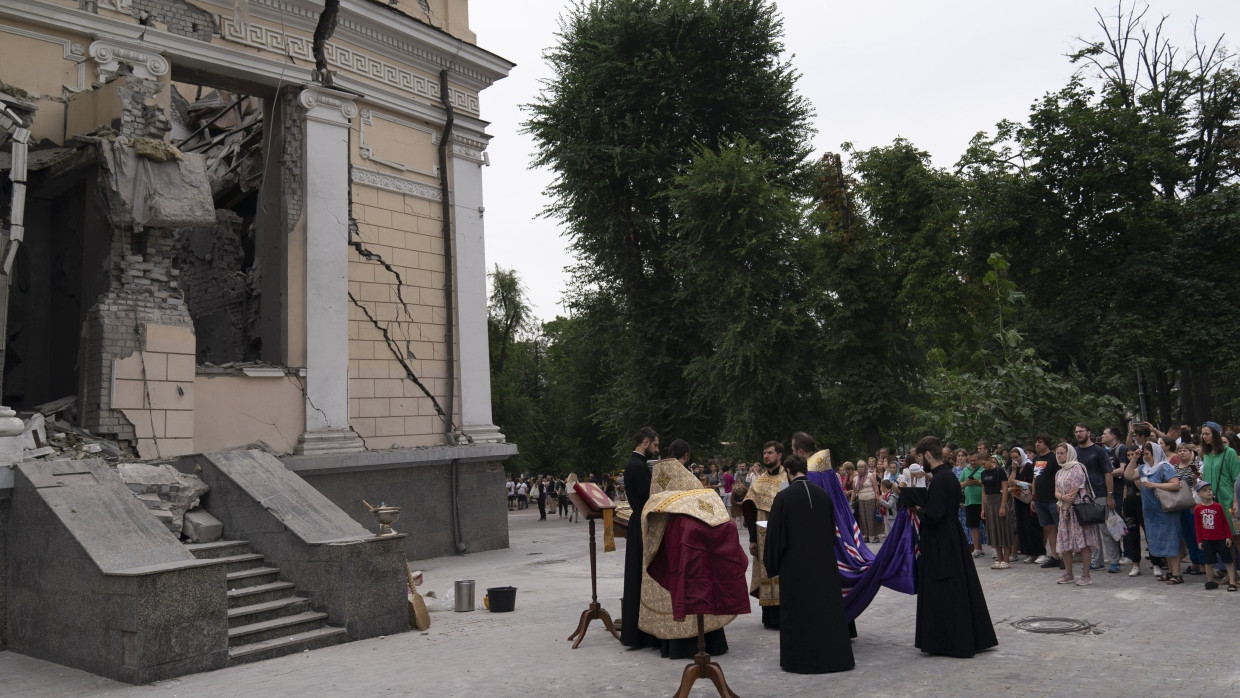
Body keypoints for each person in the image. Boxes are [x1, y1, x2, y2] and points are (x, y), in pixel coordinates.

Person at [763, 454, 855, 674]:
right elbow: (833, 534)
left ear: (787, 471)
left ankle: (801, 661)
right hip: (824, 566)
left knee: (800, 614)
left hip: (796, 568)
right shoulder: (823, 495)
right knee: (825, 613)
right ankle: (833, 658)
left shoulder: (783, 498)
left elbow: (775, 537)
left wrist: (772, 564)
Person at [912, 435, 997, 658]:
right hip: (952, 535)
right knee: (958, 584)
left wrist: (917, 508)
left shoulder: (940, 479)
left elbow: (935, 513)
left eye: (921, 457)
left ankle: (949, 639)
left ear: (928, 455)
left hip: (941, 538)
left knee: (946, 586)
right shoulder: (947, 476)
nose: (921, 461)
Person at [620, 427, 660, 649]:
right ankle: (639, 634)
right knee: (640, 577)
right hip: (642, 523)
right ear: (645, 442)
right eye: (655, 445)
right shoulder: (638, 466)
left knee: (637, 576)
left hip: (638, 521)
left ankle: (636, 633)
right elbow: (649, 499)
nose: (656, 449)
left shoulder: (634, 464)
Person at [742, 440, 787, 629]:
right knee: (766, 570)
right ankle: (771, 616)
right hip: (762, 536)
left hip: (784, 534)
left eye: (770, 453)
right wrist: (752, 539)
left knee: (783, 568)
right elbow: (750, 511)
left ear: (779, 455)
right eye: (765, 453)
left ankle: (787, 612)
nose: (766, 456)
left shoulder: (788, 479)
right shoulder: (758, 482)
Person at [1125, 442, 1184, 584]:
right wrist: (1134, 458)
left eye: (1147, 454)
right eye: (1144, 454)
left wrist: (1155, 485)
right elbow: (1128, 475)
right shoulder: (1143, 468)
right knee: (1161, 541)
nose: (1145, 457)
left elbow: (1175, 484)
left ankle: (1177, 574)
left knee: (1171, 541)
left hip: (1166, 510)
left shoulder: (1164, 467)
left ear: (1155, 453)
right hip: (1151, 512)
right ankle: (1170, 572)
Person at [1053, 443, 1097, 586]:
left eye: (1062, 453)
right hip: (1064, 510)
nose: (1059, 456)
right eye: (1058, 453)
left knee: (1083, 543)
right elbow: (1056, 492)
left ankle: (1086, 575)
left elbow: (1073, 491)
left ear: (1069, 453)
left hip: (1077, 511)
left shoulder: (1077, 468)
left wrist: (1065, 502)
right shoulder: (1059, 472)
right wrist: (1061, 498)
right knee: (1065, 543)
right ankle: (1068, 573)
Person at [1073, 424, 1112, 572]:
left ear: (1089, 433)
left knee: (1106, 530)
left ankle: (1114, 560)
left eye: (1081, 431)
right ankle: (1097, 560)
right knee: (1091, 530)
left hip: (1100, 492)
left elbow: (1108, 473)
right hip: (1083, 496)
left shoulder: (1099, 451)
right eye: (1076, 432)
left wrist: (1110, 495)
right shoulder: (1074, 452)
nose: (1078, 434)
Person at [1193, 481, 1237, 592]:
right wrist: (1199, 540)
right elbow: (1198, 526)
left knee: (1228, 560)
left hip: (1221, 538)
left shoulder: (1218, 506)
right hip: (1207, 539)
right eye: (1204, 490)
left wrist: (1228, 536)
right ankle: (1210, 580)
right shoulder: (1198, 509)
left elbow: (1225, 522)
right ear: (1199, 494)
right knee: (1208, 561)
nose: (1208, 492)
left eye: (1209, 489)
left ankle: (1232, 581)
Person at [1100, 426, 1130, 573]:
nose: (1102, 436)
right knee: (1111, 523)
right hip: (1107, 491)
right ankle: (1116, 554)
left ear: (1112, 436)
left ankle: (1128, 553)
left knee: (1121, 521)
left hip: (1119, 491)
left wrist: (1108, 473)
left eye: (1105, 434)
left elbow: (1123, 470)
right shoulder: (1105, 451)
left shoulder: (1121, 449)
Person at [1172, 443, 1205, 575]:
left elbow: (1200, 485)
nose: (1182, 453)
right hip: (1179, 503)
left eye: (1185, 450)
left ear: (1191, 452)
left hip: (1192, 503)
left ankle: (1203, 563)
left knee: (1196, 533)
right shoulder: (1174, 467)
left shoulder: (1195, 466)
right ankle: (1194, 562)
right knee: (1186, 535)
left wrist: (1196, 480)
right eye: (1179, 451)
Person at [1009, 447, 1043, 564]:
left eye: (1017, 457)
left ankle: (1038, 552)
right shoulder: (1016, 468)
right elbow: (1010, 482)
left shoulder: (1029, 466)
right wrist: (1013, 471)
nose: (1015, 460)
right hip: (1019, 499)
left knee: (1031, 526)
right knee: (1022, 526)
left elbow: (1032, 484)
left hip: (1028, 500)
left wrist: (1019, 483)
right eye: (1013, 458)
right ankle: (1028, 552)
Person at [980, 452, 1014, 569]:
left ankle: (1006, 559)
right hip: (989, 503)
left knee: (1003, 529)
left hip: (998, 500)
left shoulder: (999, 471)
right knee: (994, 530)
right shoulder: (983, 473)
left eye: (984, 463)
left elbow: (1005, 489)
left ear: (989, 459)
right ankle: (999, 558)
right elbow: (983, 491)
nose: (983, 466)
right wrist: (983, 508)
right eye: (982, 465)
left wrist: (1003, 506)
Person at [959, 453, 985, 558]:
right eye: (971, 460)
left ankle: (993, 548)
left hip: (982, 502)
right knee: (973, 526)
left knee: (988, 525)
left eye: (974, 460)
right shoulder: (966, 470)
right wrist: (967, 482)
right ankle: (977, 548)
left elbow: (988, 484)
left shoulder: (983, 470)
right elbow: (959, 484)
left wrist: (978, 482)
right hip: (970, 502)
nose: (972, 463)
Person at [853, 459, 883, 544]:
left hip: (871, 499)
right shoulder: (855, 478)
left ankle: (874, 536)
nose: (861, 468)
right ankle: (865, 535)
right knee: (863, 518)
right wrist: (851, 502)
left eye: (862, 467)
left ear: (865, 467)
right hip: (861, 500)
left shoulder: (871, 475)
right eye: (859, 467)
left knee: (871, 518)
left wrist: (877, 498)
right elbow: (854, 491)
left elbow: (876, 487)